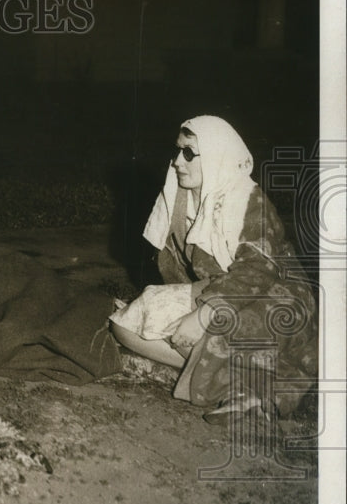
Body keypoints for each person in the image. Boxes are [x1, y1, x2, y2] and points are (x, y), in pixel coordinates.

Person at [110, 116, 317, 424]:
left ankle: (247, 389)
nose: (178, 161)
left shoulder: (249, 202)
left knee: (209, 332)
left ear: (218, 153)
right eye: (178, 151)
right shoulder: (178, 198)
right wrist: (165, 306)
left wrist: (203, 315)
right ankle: (224, 380)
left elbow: (259, 272)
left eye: (189, 153)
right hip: (218, 292)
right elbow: (179, 270)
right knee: (124, 325)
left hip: (273, 299)